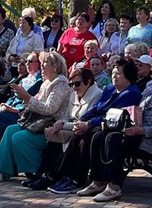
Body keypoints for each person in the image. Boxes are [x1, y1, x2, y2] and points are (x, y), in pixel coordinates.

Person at [75, 59, 152, 202]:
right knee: (99, 136)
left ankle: (114, 186)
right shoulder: (151, 90)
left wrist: (141, 130)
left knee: (113, 139)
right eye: (151, 72)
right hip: (136, 133)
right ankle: (98, 181)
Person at [29, 58, 143, 190]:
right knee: (69, 135)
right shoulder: (110, 89)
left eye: (118, 73)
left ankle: (73, 179)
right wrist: (82, 120)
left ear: (128, 76)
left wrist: (88, 124)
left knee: (82, 138)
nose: (114, 76)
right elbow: (97, 108)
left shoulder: (131, 93)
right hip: (95, 124)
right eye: (113, 73)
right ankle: (55, 176)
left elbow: (114, 117)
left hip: (112, 129)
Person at [0, 51, 71, 182]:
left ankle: (38, 172)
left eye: (45, 62)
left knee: (19, 137)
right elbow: (36, 106)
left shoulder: (60, 83)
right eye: (41, 62)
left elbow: (50, 109)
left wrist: (27, 97)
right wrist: (20, 104)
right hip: (39, 123)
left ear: (55, 66)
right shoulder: (46, 83)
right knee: (10, 130)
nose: (42, 65)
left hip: (53, 125)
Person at [35, 67, 103, 192]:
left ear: (88, 82)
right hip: (72, 127)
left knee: (75, 138)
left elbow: (83, 122)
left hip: (85, 129)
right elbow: (66, 115)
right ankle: (43, 174)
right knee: (54, 137)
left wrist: (63, 124)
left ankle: (56, 176)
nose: (74, 87)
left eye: (77, 83)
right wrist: (59, 123)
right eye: (71, 84)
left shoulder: (96, 94)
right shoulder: (74, 94)